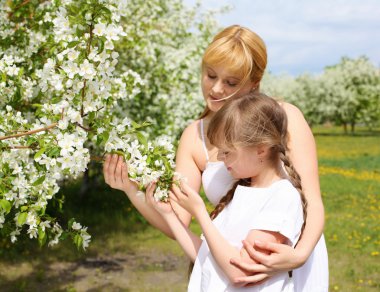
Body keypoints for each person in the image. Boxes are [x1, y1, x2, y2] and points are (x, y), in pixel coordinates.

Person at [103, 25, 328, 290]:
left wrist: (298, 256)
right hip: (227, 268)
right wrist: (132, 192)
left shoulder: (283, 118)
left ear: (254, 82)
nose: (216, 89)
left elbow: (311, 200)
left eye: (231, 82)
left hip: (289, 265)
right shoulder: (193, 136)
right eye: (210, 75)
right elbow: (176, 220)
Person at [147, 92, 309, 291]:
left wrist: (200, 213)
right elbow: (206, 256)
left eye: (227, 152)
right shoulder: (241, 191)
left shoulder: (281, 197)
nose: (221, 159)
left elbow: (241, 272)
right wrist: (169, 215)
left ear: (261, 149)